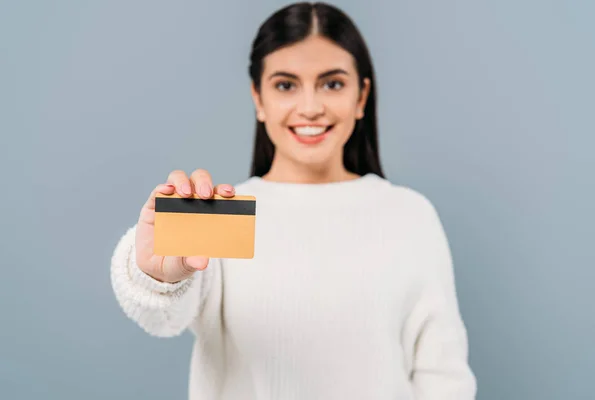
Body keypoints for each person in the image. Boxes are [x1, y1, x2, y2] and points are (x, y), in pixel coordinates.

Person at [110, 2, 477, 399]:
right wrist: (154, 274)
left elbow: (443, 376)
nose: (310, 107)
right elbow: (161, 315)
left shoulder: (410, 215)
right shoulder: (222, 213)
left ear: (361, 96)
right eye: (286, 85)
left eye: (332, 83)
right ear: (258, 98)